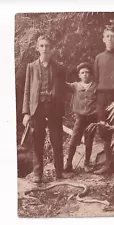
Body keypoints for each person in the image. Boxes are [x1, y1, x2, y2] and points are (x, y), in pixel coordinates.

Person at [22, 35, 65, 183]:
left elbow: (63, 90)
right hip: (37, 108)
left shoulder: (59, 67)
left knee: (57, 140)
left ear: (51, 48)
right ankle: (37, 174)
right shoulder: (31, 67)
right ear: (37, 48)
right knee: (37, 141)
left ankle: (59, 172)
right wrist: (26, 112)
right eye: (42, 46)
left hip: (54, 108)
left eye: (47, 46)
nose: (44, 49)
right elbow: (27, 90)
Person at [94, 25, 114, 174]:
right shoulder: (99, 58)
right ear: (103, 39)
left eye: (113, 36)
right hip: (102, 96)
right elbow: (95, 80)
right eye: (107, 36)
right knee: (103, 128)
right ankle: (108, 164)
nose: (110, 39)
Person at [64, 62, 98, 173]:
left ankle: (86, 163)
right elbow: (63, 85)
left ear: (91, 74)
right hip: (80, 118)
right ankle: (68, 164)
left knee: (89, 141)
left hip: (92, 118)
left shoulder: (96, 86)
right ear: (79, 75)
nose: (85, 74)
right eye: (82, 73)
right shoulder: (75, 86)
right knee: (74, 139)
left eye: (87, 72)